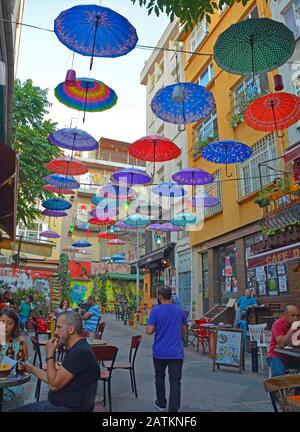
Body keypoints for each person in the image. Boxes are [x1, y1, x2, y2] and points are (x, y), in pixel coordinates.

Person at [14, 311, 100, 412]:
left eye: (59, 328)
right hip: (60, 406)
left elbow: (53, 385)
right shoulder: (79, 348)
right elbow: (54, 379)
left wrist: (50, 354)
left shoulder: (79, 352)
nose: (55, 332)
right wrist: (32, 369)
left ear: (71, 329)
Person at [146, 285, 188, 412]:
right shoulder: (180, 311)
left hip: (159, 352)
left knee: (159, 377)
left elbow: (149, 331)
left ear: (160, 297)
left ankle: (161, 403)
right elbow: (185, 330)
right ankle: (174, 409)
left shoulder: (155, 311)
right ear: (171, 295)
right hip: (176, 353)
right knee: (175, 382)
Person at [0, 307, 29, 411]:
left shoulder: (19, 342)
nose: (5, 327)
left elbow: (23, 367)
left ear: (15, 325)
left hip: (11, 387)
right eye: (2, 322)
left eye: (10, 323)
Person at [267, 305, 300, 377]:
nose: (296, 318)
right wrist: (292, 329)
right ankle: (279, 388)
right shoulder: (278, 324)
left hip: (292, 356)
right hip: (276, 355)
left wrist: (292, 343)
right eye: (293, 315)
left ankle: (295, 388)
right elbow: (282, 343)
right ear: (285, 315)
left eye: (297, 316)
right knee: (279, 374)